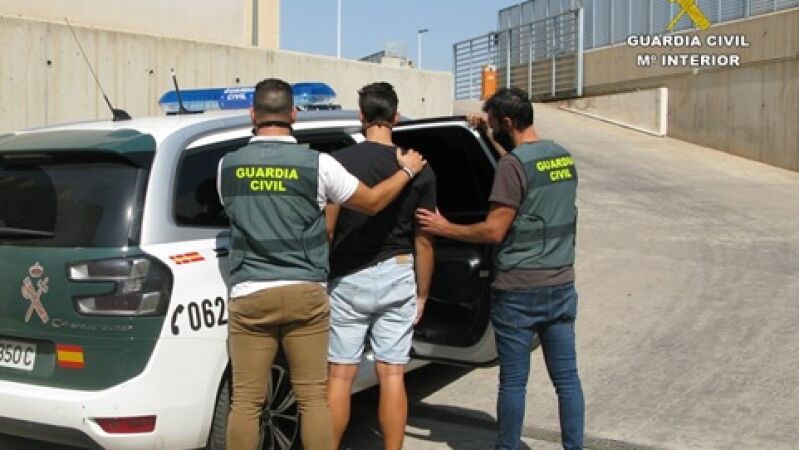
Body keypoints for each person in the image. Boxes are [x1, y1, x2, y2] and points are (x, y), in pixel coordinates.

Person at [217, 78, 426, 450]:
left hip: (251, 293)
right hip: (305, 294)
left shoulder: (227, 167)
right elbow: (372, 202)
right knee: (313, 397)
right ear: (294, 114)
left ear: (252, 114)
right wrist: (407, 171)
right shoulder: (319, 164)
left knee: (246, 402)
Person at [416, 87, 584, 450]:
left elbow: (493, 231)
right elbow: (524, 171)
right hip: (561, 284)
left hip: (519, 291)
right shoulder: (560, 156)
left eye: (494, 126)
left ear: (508, 122)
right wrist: (489, 138)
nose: (492, 130)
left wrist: (445, 228)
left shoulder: (512, 166)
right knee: (567, 380)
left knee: (513, 383)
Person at [324, 82, 436, 450]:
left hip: (347, 278)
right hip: (398, 272)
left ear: (361, 116)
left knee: (340, 375)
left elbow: (328, 230)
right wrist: (423, 293)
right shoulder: (419, 168)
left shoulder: (338, 163)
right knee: (392, 374)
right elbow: (424, 239)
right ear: (396, 117)